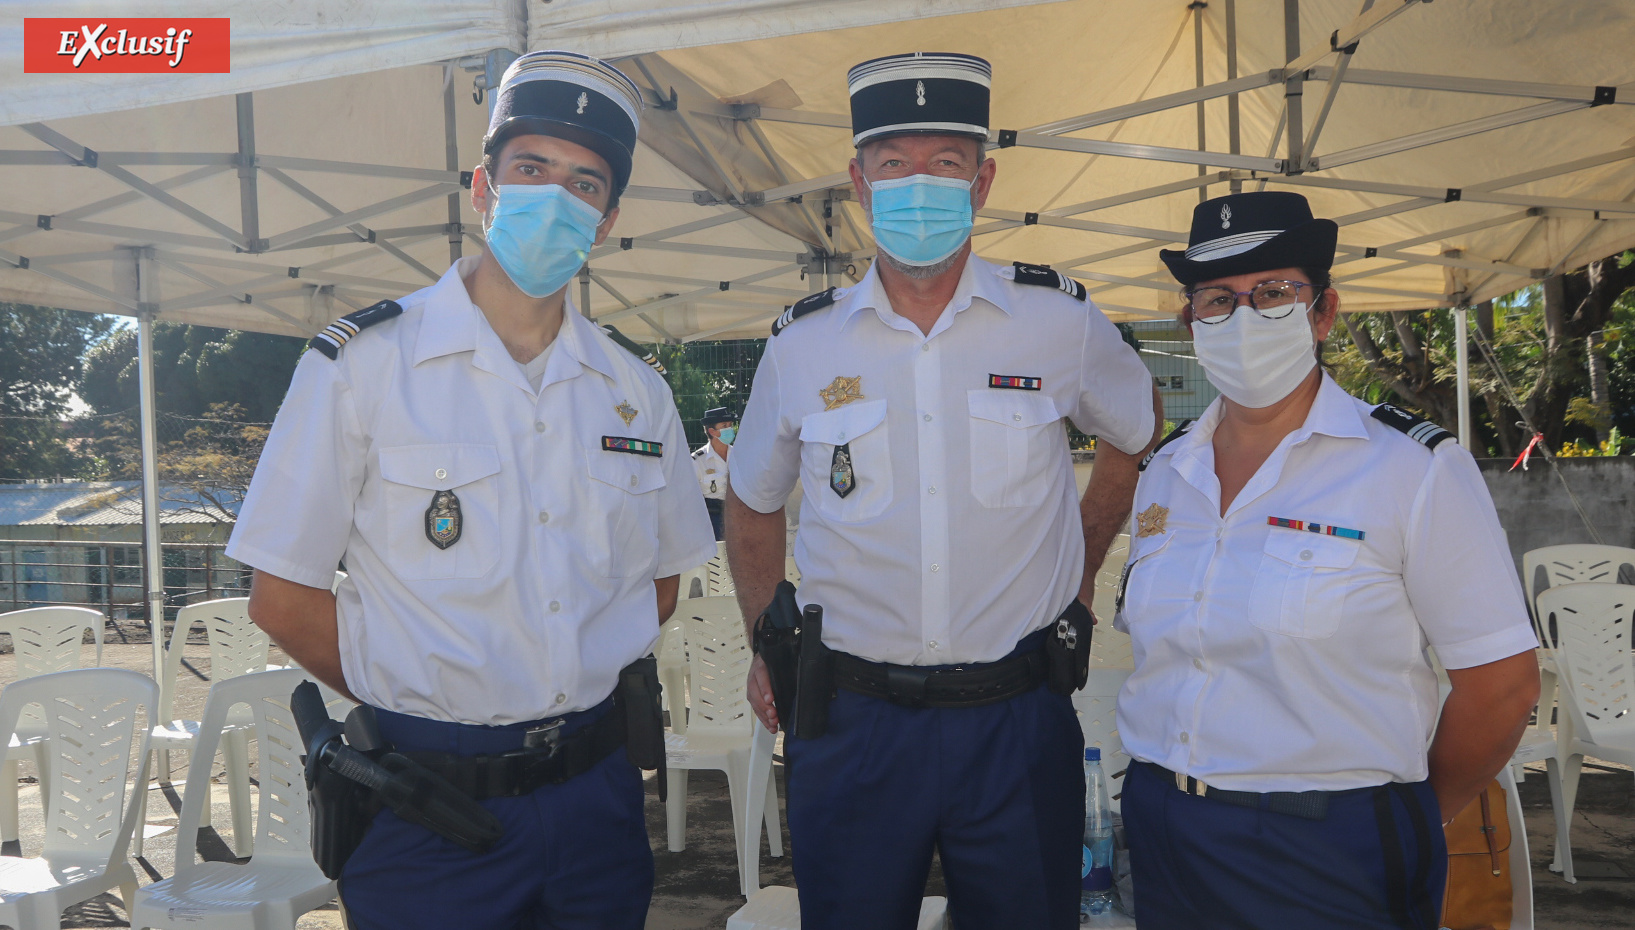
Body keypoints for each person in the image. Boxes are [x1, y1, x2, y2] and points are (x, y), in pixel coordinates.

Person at [227, 50, 716, 930]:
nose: (557, 199)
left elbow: (663, 577)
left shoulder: (633, 390)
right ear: (482, 187)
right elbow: (281, 594)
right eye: (531, 169)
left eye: (585, 182)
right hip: (428, 807)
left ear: (606, 220)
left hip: (595, 799)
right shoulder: (365, 366)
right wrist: (423, 697)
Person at [725, 51, 1163, 930]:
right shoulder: (803, 346)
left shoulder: (1058, 323)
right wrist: (766, 634)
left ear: (983, 180)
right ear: (856, 180)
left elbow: (1136, 433)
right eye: (892, 165)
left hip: (1014, 716)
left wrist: (1077, 573)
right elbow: (751, 498)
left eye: (944, 164)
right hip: (851, 722)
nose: (915, 185)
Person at [1115, 190, 1541, 929]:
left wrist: (1406, 813)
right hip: (1164, 829)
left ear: (1322, 312)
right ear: (1190, 322)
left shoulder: (1410, 470)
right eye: (1217, 299)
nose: (1242, 317)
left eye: (1272, 293)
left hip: (1328, 846)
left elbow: (1501, 685)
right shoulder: (1167, 472)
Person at [693, 406, 737, 540]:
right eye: (724, 425)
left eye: (730, 425)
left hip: (739, 518)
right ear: (712, 431)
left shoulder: (740, 455)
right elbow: (692, 500)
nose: (729, 429)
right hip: (712, 523)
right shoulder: (697, 461)